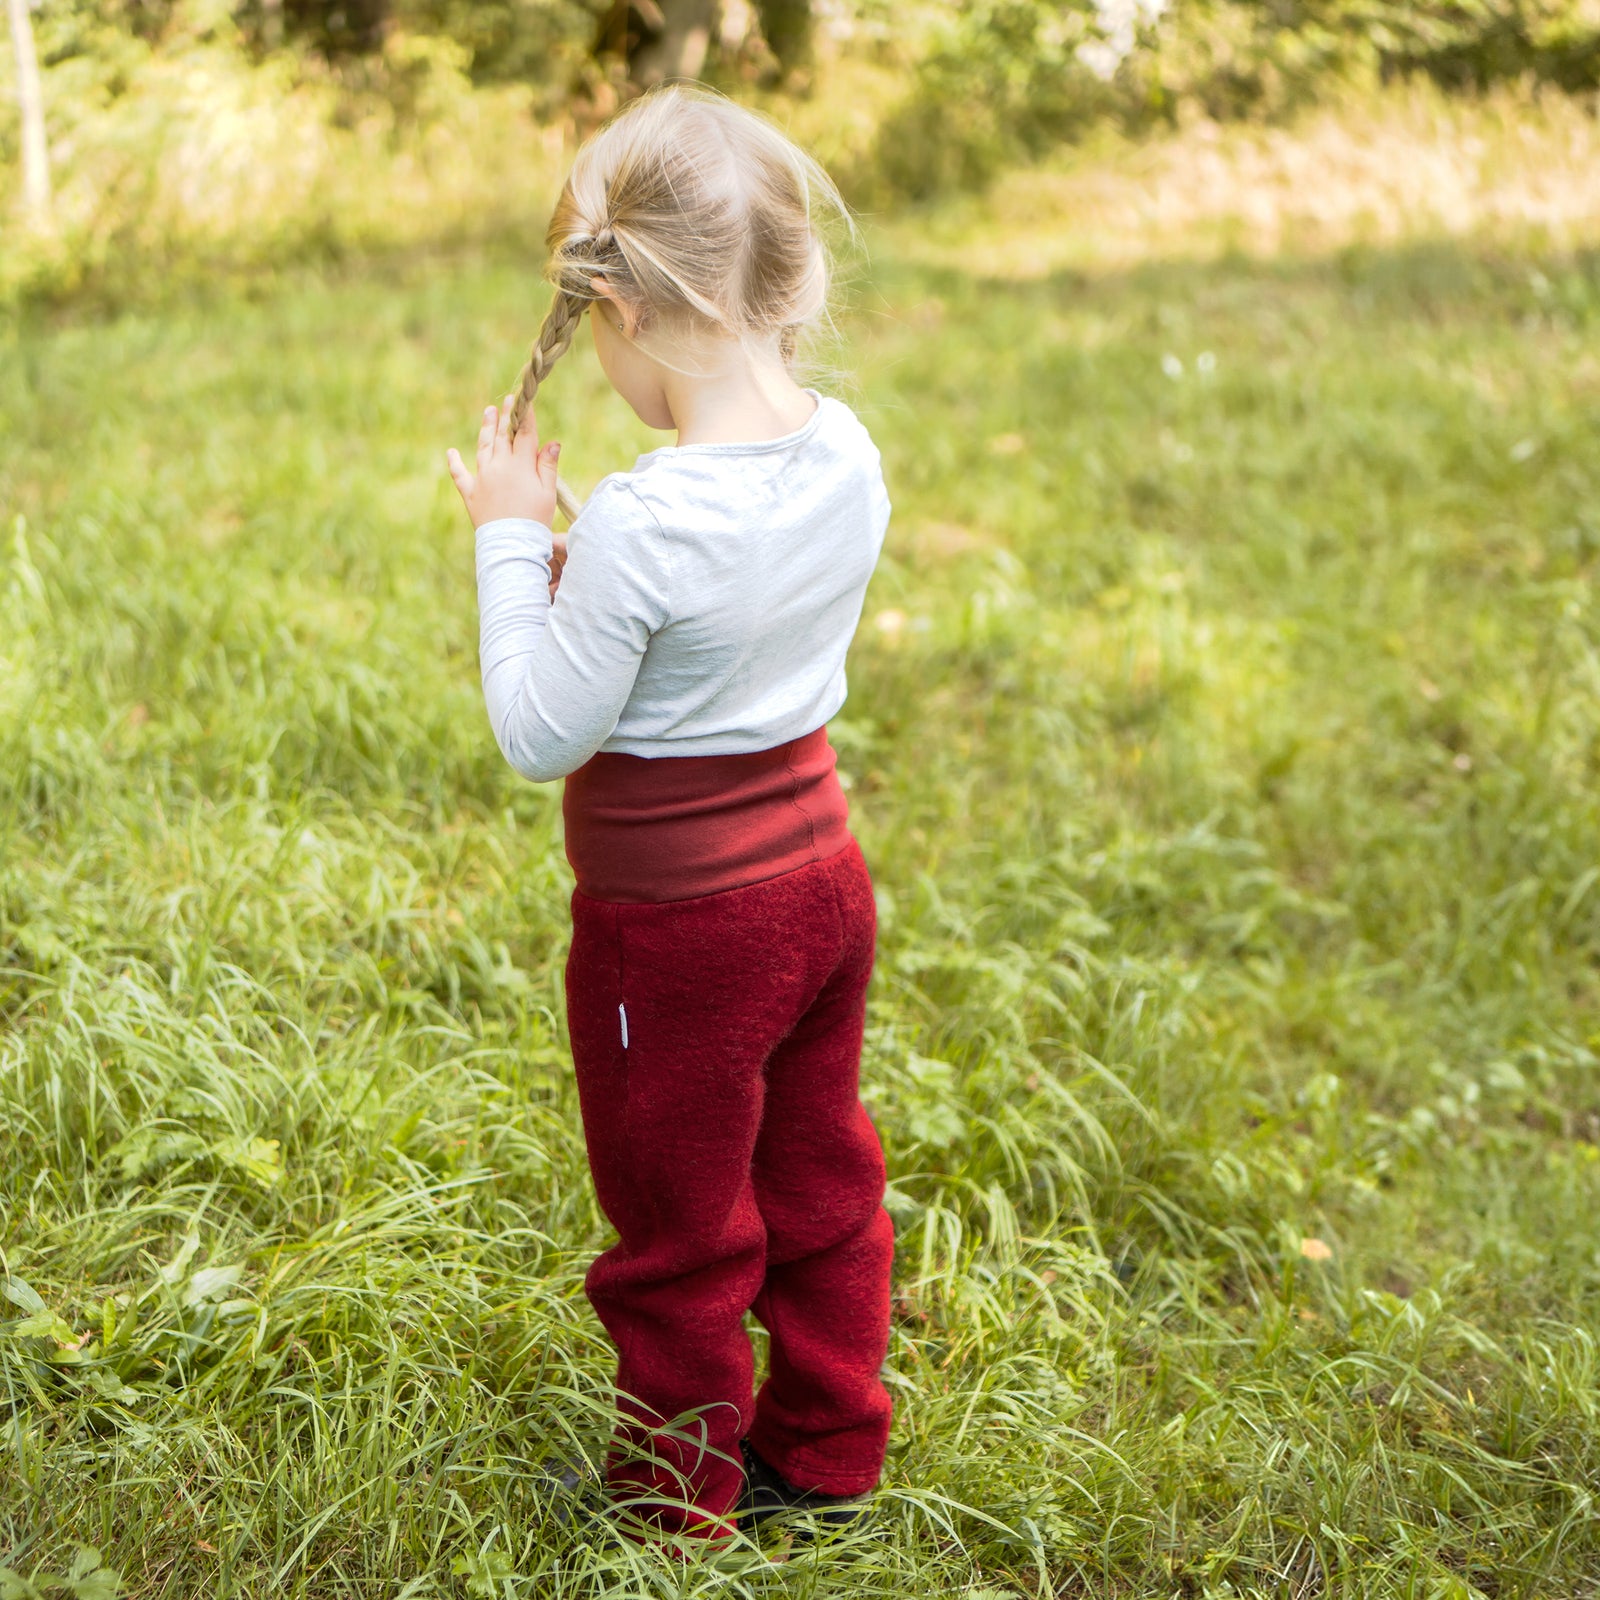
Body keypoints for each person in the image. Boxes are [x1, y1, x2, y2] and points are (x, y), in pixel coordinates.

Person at [442, 84, 895, 1545]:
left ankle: (674, 1498)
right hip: (823, 884)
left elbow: (539, 727)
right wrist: (595, 573)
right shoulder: (847, 453)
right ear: (788, 277)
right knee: (819, 1178)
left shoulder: (644, 520)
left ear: (620, 314)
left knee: (681, 1229)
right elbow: (727, 626)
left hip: (682, 937)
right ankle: (827, 1447)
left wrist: (514, 542)